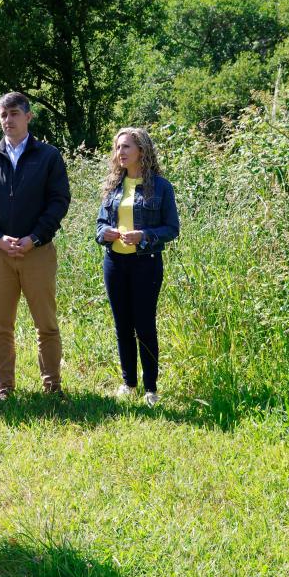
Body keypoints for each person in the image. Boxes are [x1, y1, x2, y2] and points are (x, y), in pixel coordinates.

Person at [0, 92, 71, 400]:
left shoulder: (48, 156)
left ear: (28, 117)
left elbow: (58, 201)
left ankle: (52, 388)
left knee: (46, 324)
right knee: (0, 325)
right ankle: (4, 389)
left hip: (37, 252)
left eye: (13, 113)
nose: (7, 120)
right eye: (3, 115)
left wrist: (34, 237)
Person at [95, 128, 180, 406]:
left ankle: (150, 389)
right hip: (114, 263)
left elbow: (171, 229)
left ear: (141, 151)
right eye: (118, 147)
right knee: (122, 325)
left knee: (144, 325)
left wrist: (144, 236)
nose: (121, 152)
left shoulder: (161, 187)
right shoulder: (112, 185)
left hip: (146, 264)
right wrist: (104, 233)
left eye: (126, 147)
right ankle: (128, 383)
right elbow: (98, 226)